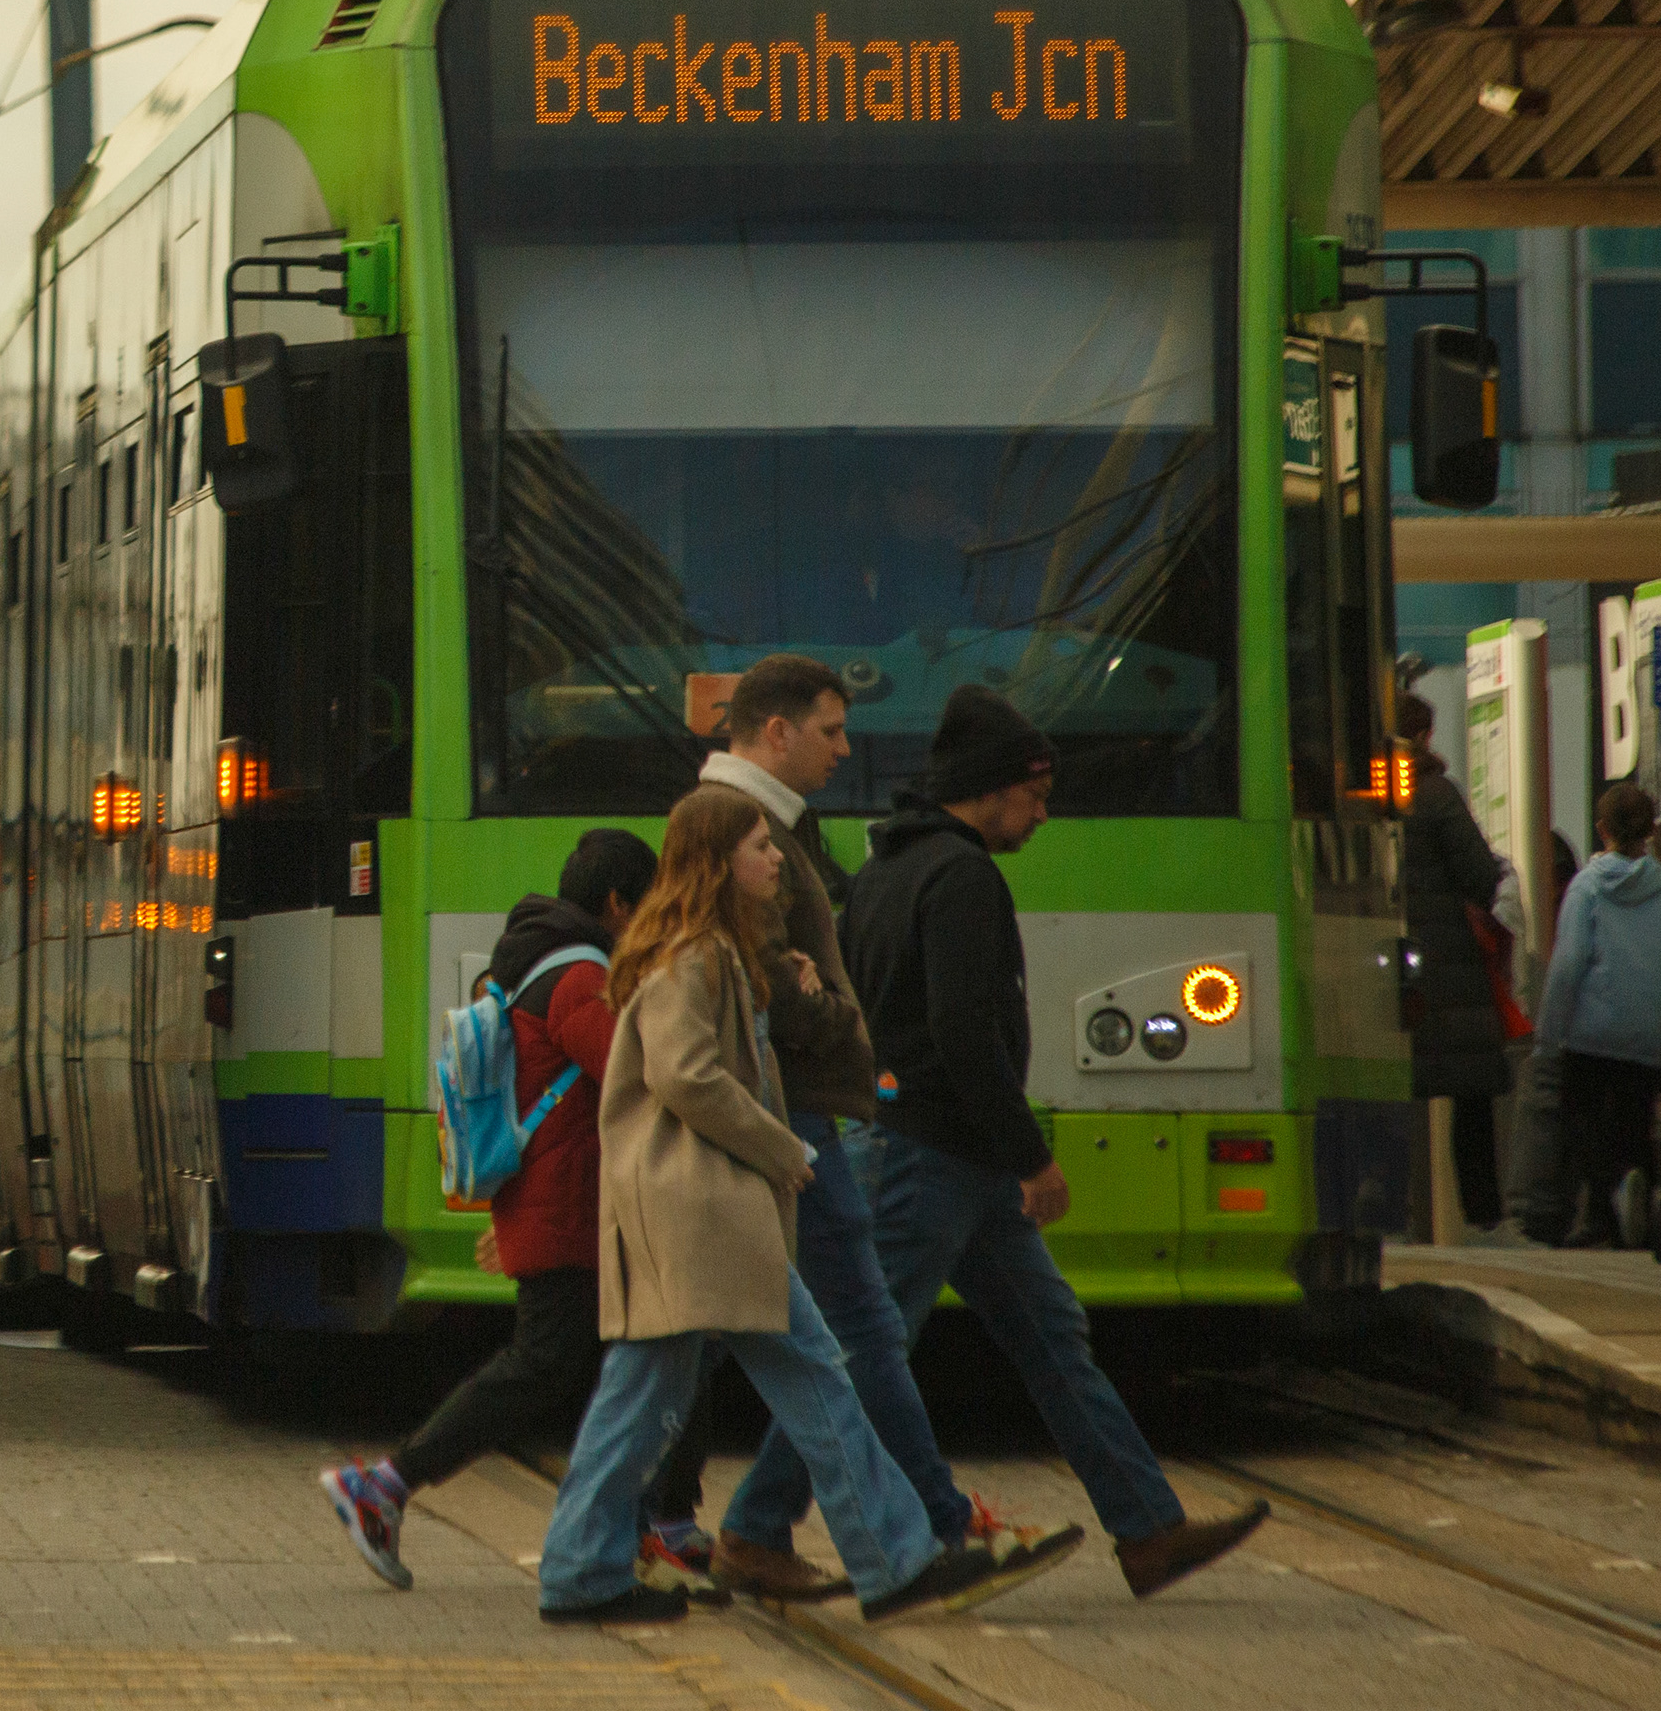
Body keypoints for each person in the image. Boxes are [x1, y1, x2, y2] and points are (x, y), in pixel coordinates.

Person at [532, 788, 1038, 1628]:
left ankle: (582, 1570)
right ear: (718, 861)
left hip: (699, 1213)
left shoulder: (706, 951)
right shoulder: (692, 954)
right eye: (760, 846)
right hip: (705, 1210)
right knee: (814, 1380)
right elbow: (685, 1074)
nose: (776, 859)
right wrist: (781, 1147)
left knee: (651, 1398)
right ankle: (896, 1559)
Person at [842, 686, 1268, 1597]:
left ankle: (1147, 1528)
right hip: (934, 1153)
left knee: (1048, 1335)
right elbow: (962, 1033)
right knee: (866, 1349)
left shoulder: (885, 872)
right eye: (1034, 795)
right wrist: (1030, 1154)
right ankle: (760, 1526)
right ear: (990, 789)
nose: (1042, 813)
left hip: (953, 1157)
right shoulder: (959, 877)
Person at [693, 657, 1077, 1599]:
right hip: (796, 1120)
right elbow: (731, 976)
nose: (846, 749)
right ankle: (917, 1538)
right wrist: (821, 1009)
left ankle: (859, 1534)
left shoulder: (778, 827)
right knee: (832, 1338)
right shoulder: (735, 830)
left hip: (814, 1118)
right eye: (831, 729)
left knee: (832, 1339)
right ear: (777, 732)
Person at [315, 830, 718, 1586]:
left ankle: (651, 1524)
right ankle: (388, 1485)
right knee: (577, 1361)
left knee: (644, 1359)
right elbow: (637, 1074)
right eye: (647, 911)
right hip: (572, 1211)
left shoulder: (539, 958)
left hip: (564, 1204)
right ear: (616, 904)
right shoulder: (577, 979)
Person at [1538, 787, 1661, 1246]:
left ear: (1600, 830)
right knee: (1637, 1120)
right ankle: (1637, 1191)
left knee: (1586, 1123)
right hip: (1651, 1034)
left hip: (1593, 1035)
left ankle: (1600, 1211)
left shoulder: (1586, 889)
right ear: (1651, 831)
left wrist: (1549, 1037)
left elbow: (1567, 968)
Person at [1392, 693, 1517, 1231]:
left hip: (1386, 956)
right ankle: (1482, 1213)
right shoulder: (1435, 793)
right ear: (1424, 735)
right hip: (1447, 963)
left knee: (1391, 1084)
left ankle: (1393, 1205)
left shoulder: (1359, 790)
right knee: (1469, 1091)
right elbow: (1479, 876)